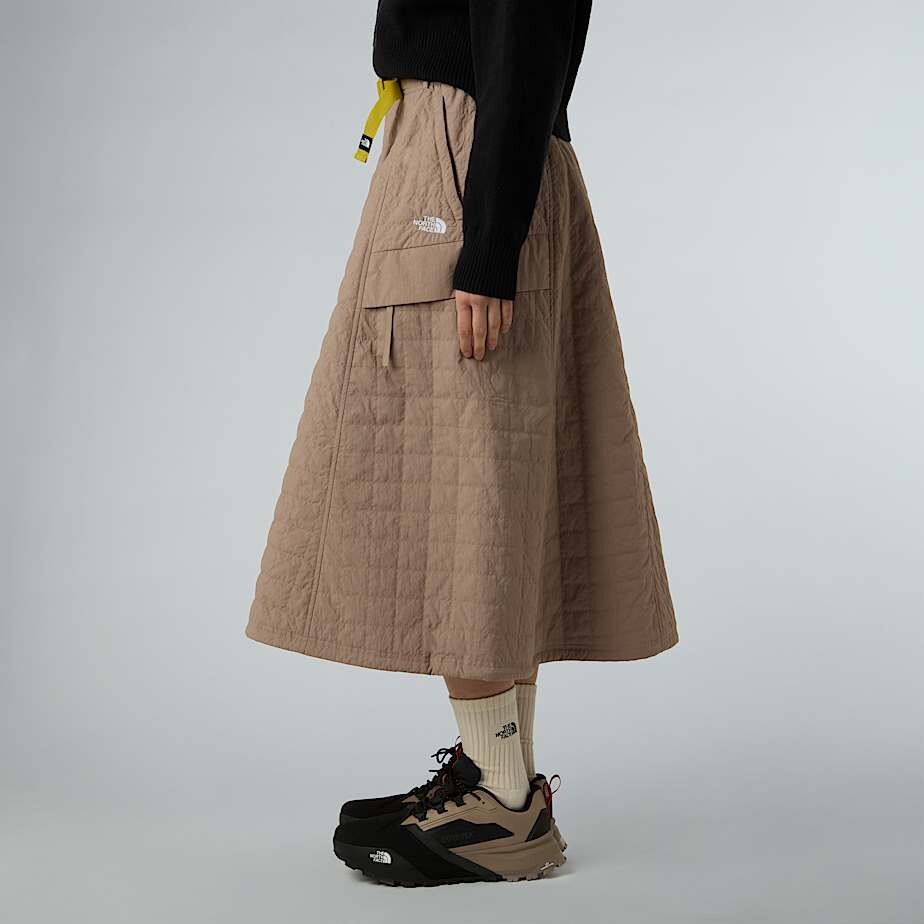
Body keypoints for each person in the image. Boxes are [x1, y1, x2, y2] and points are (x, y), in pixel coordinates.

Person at [246, 0, 677, 886]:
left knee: (468, 493)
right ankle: (498, 780)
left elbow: (521, 26)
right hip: (472, 155)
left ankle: (502, 807)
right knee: (490, 487)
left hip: (466, 155)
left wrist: (487, 249)